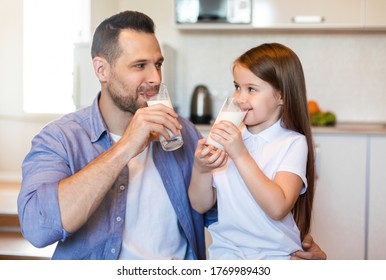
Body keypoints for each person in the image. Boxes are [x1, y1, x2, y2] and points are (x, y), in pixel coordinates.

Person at [17, 11, 325, 260]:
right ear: (102, 70)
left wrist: (288, 247)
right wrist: (126, 146)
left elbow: (221, 210)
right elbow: (38, 229)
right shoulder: (59, 138)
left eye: (158, 64)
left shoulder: (184, 132)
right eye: (140, 65)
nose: (155, 78)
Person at [189, 43, 316, 259]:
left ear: (281, 96)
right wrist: (201, 169)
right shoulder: (225, 137)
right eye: (237, 87)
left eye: (251, 89)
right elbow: (200, 205)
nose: (239, 98)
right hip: (227, 254)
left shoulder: (292, 143)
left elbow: (278, 208)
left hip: (276, 256)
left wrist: (240, 154)